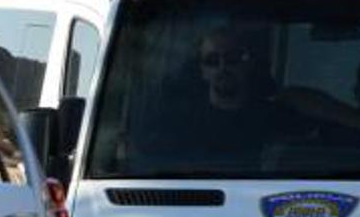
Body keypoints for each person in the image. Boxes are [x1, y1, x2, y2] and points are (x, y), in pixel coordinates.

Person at [130, 25, 311, 169]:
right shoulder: (180, 124)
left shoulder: (274, 118)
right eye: (212, 61)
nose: (222, 67)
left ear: (247, 63)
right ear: (202, 71)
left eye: (232, 58)